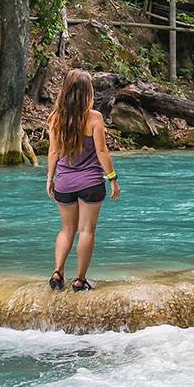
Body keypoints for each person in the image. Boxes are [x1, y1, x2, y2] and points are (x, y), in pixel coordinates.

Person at [45, 69, 119, 291]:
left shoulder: (55, 118)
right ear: (88, 92)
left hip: (64, 183)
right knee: (86, 230)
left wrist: (50, 178)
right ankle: (79, 280)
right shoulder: (94, 118)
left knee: (66, 229)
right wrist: (113, 179)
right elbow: (102, 152)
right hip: (91, 184)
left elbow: (53, 152)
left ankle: (58, 273)